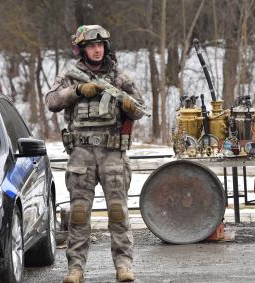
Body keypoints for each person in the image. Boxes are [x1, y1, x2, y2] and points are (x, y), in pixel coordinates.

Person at [46, 25, 146, 282]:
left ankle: (124, 266)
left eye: (100, 45)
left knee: (118, 212)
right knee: (79, 214)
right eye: (91, 46)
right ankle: (75, 269)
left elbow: (140, 109)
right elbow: (52, 102)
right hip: (81, 154)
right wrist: (78, 91)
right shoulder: (71, 75)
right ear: (82, 49)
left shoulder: (119, 77)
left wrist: (127, 104)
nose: (97, 49)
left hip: (113, 152)